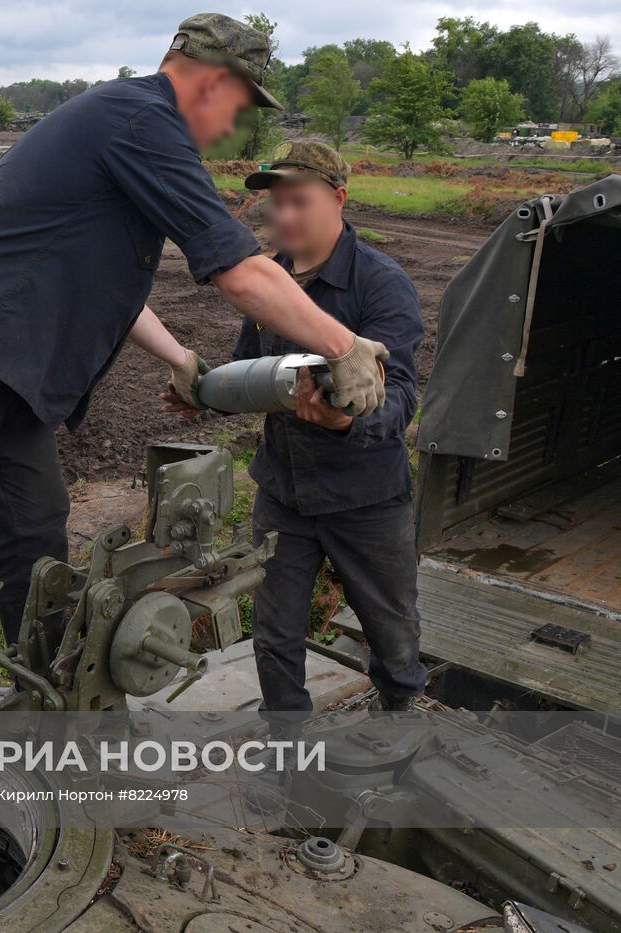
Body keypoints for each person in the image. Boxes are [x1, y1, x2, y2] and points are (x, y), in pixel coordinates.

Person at [0, 13, 391, 699]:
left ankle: (48, 696)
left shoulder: (138, 131)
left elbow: (110, 284)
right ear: (210, 80)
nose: (236, 121)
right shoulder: (138, 120)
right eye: (239, 100)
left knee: (34, 533)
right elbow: (237, 267)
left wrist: (180, 357)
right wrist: (341, 344)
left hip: (15, 372)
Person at [164, 141, 428, 712]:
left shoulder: (381, 285)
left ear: (337, 198)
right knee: (275, 638)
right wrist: (205, 392)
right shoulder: (271, 281)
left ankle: (402, 726)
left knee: (393, 636)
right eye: (275, 203)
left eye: (298, 202)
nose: (283, 217)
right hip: (284, 495)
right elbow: (252, 374)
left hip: (366, 501)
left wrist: (341, 421)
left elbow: (401, 400)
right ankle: (285, 755)